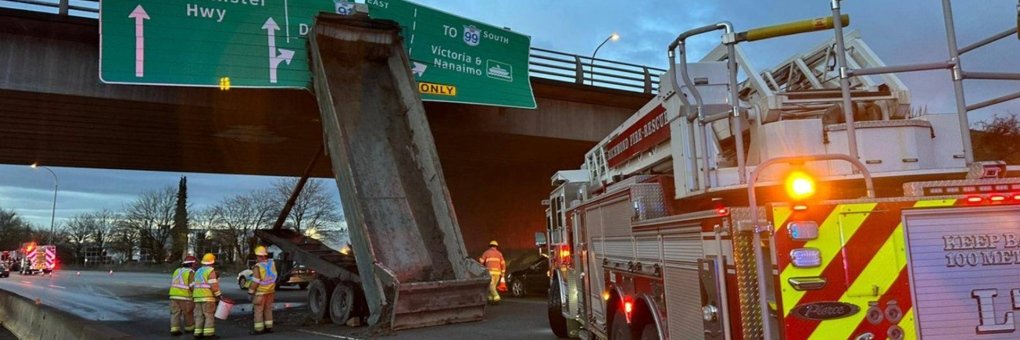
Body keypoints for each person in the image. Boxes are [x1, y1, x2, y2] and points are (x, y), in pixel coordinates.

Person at [192, 253, 224, 339]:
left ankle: (197, 333)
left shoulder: (198, 271)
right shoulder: (210, 271)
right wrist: (219, 295)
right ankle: (208, 334)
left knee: (199, 316)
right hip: (207, 297)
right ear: (212, 262)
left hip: (197, 297)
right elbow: (214, 286)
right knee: (209, 315)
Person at [248, 246, 278, 335]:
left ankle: (259, 329)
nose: (256, 258)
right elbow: (274, 276)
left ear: (260, 256)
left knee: (258, 311)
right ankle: (269, 327)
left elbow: (255, 281)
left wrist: (250, 292)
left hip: (260, 292)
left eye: (257, 256)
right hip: (270, 291)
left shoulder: (258, 267)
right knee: (268, 309)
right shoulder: (272, 264)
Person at [169, 255, 197, 336]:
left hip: (173, 295)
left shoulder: (177, 270)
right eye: (194, 264)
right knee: (188, 313)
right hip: (185, 296)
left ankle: (174, 329)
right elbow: (192, 286)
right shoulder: (190, 272)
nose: (195, 266)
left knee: (175, 313)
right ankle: (189, 328)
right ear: (191, 264)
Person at [478, 240, 506, 305]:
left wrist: (479, 259)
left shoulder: (486, 253)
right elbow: (503, 264)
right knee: (493, 286)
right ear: (496, 246)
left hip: (490, 272)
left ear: (490, 246)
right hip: (497, 273)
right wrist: (503, 273)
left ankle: (497, 297)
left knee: (491, 286)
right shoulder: (499, 254)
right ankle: (490, 298)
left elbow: (481, 261)